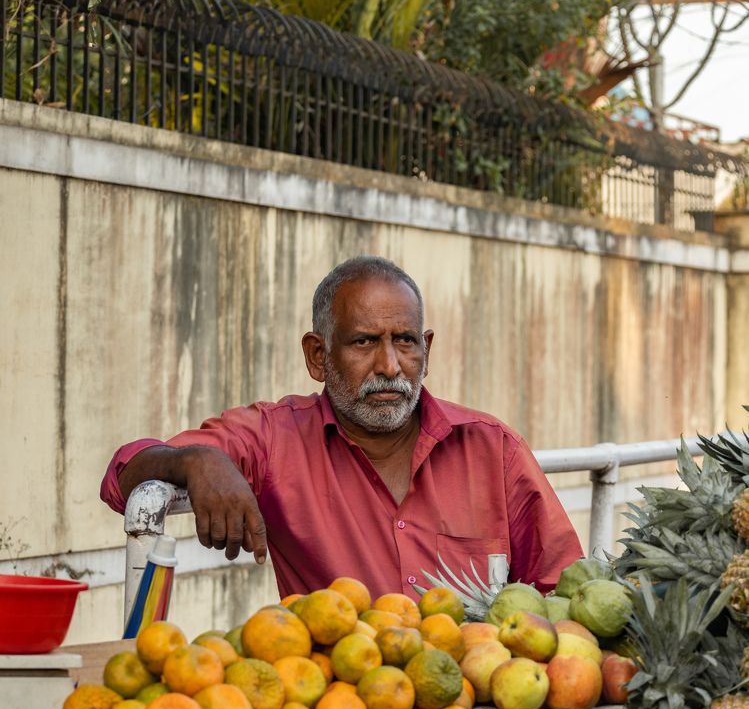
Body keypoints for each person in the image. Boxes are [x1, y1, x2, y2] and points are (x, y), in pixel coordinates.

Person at [101, 256, 582, 600]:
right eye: (364, 341)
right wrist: (194, 460)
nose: (391, 366)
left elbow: (564, 588)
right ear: (317, 355)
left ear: (426, 350)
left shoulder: (492, 449)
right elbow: (124, 476)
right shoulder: (277, 439)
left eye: (406, 342)